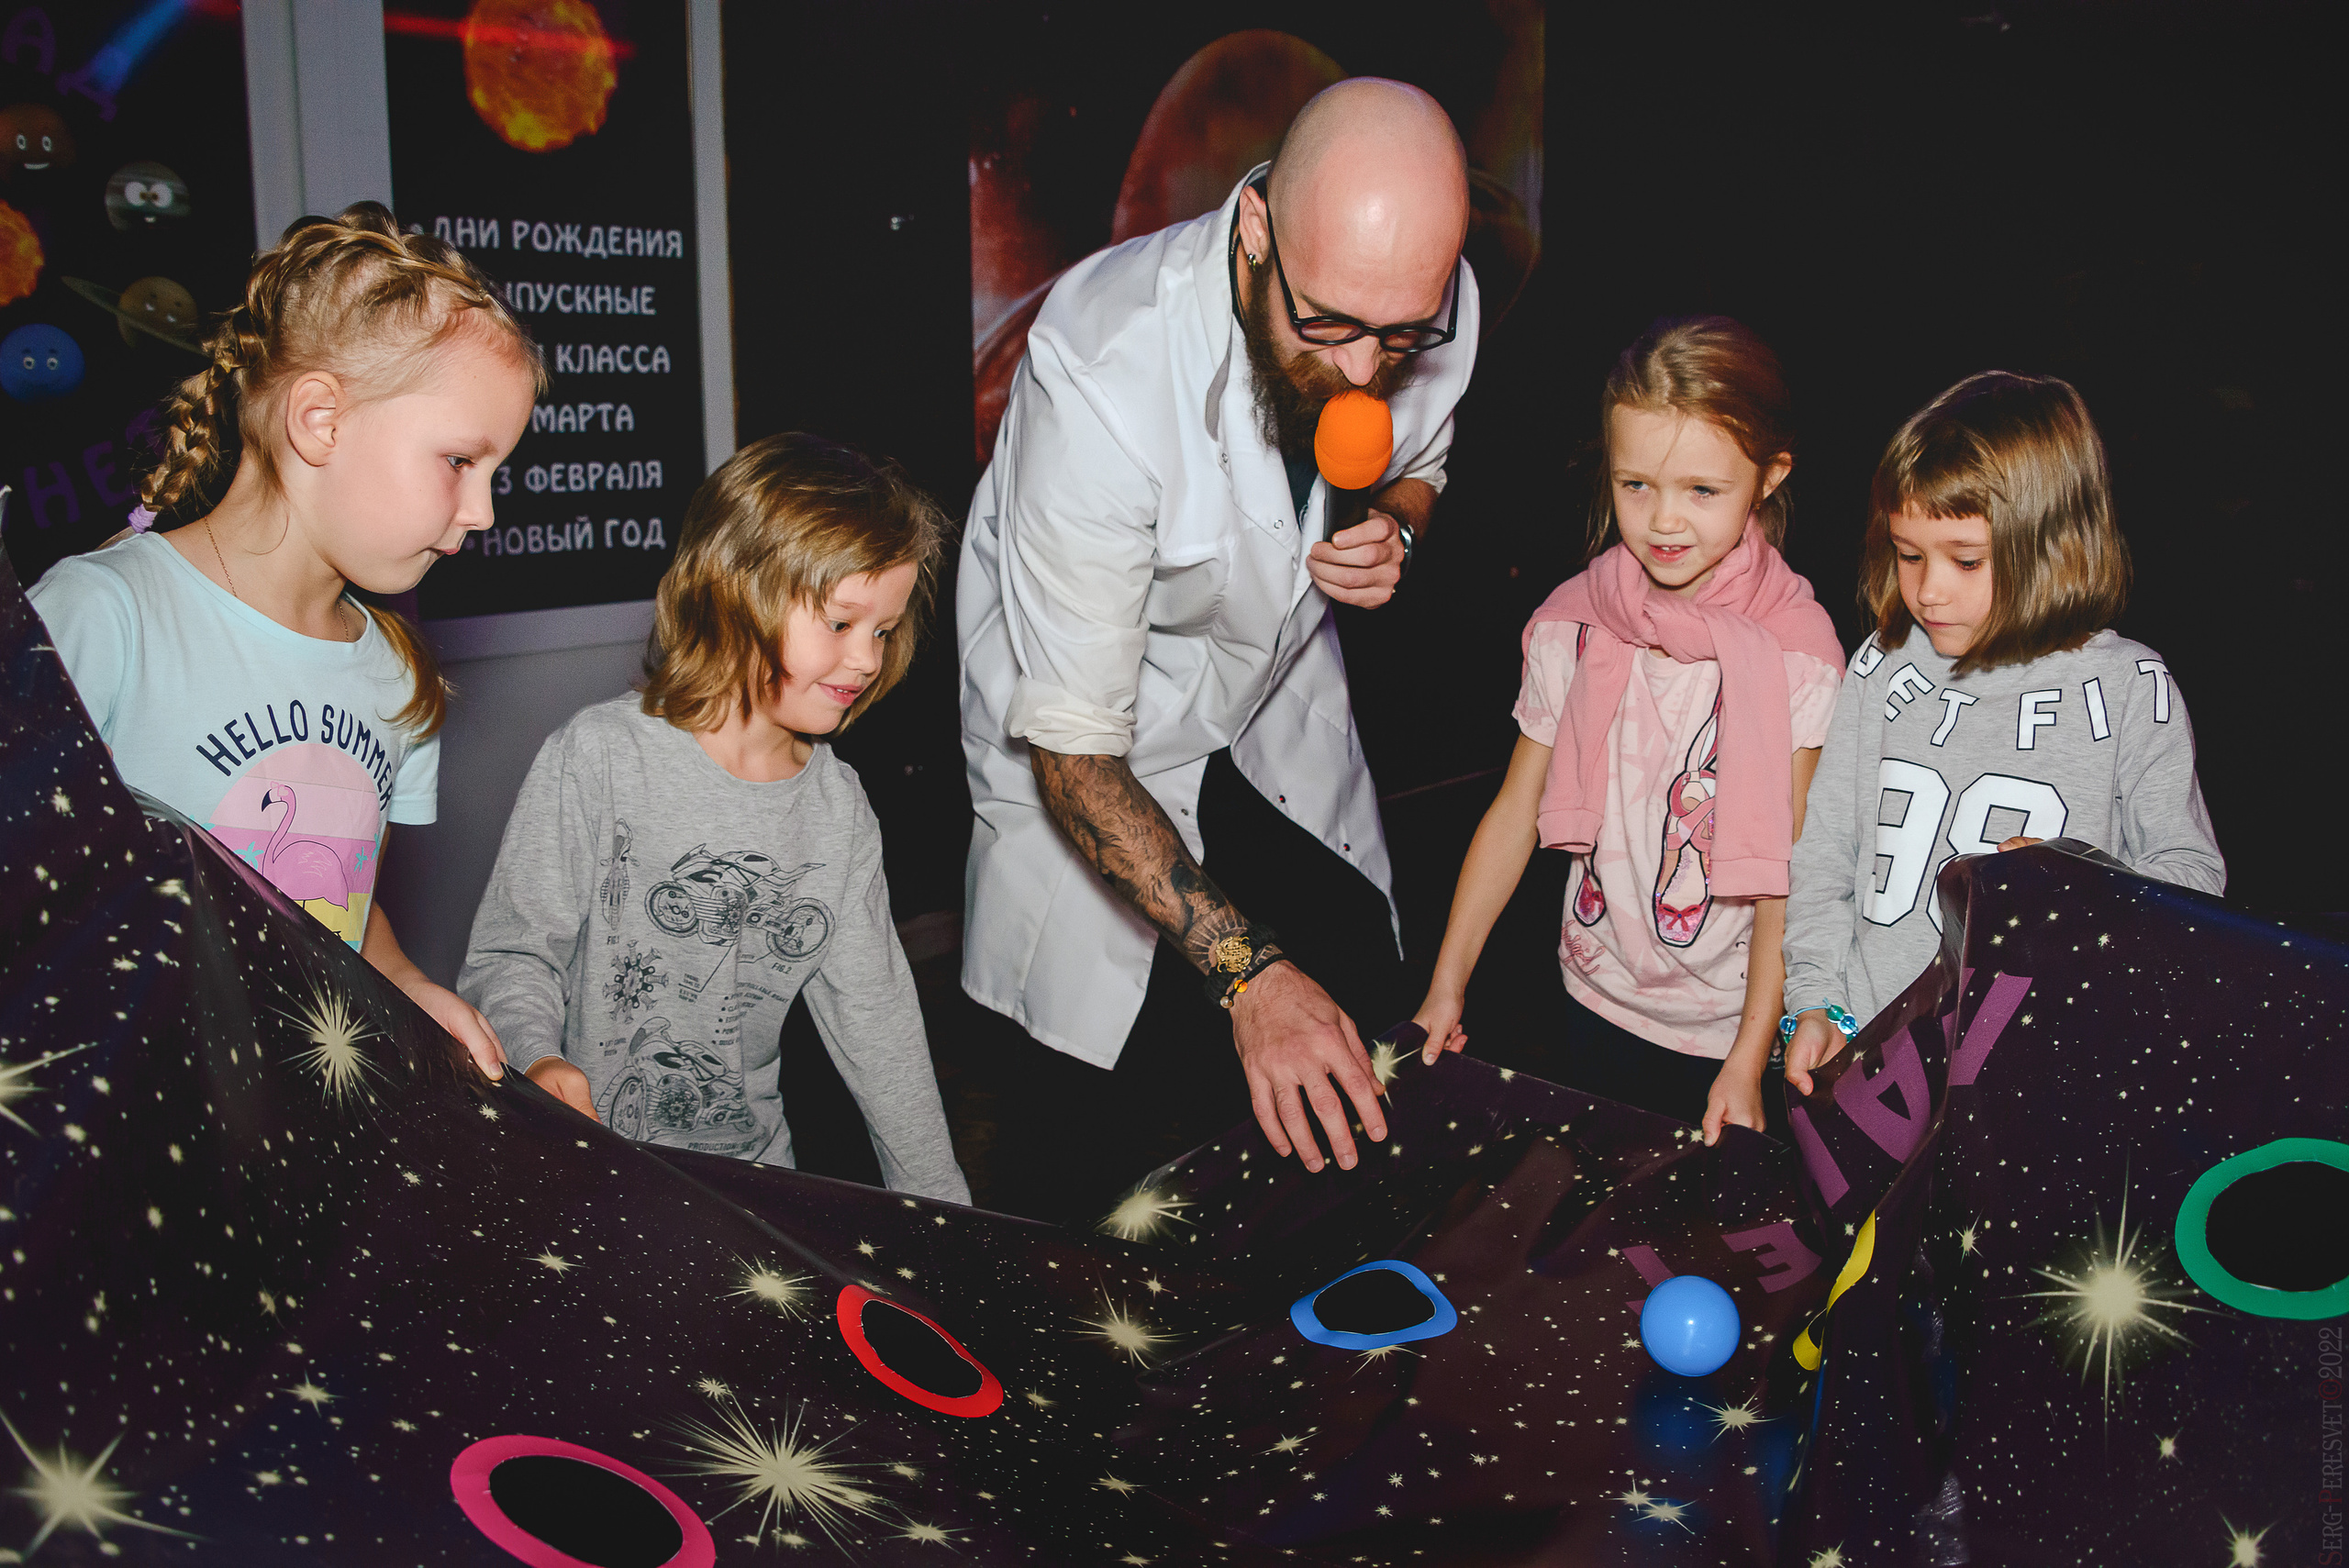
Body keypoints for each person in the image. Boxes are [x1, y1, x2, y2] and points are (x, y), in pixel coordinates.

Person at [957, 78, 1479, 1223]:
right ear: (1257, 233)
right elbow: (1077, 756)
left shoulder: (1418, 293)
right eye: (1329, 326)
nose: (1362, 368)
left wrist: (1395, 519)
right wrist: (1248, 975)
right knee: (1101, 1135)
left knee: (1359, 1031)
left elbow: (1420, 458)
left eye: (1397, 337)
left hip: (1272, 706)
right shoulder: (1101, 368)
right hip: (1099, 735)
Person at [28, 202, 530, 1079]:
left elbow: (344, 899)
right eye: (459, 462)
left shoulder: (395, 673)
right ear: (321, 420)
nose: (483, 512)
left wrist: (405, 977)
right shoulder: (104, 618)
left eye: (494, 475)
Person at [457, 435, 969, 1203]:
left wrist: (945, 1215)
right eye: (840, 623)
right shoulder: (599, 757)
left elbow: (881, 1029)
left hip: (748, 1188)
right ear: (735, 591)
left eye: (884, 630)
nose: (866, 659)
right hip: (584, 1175)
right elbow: (513, 953)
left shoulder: (840, 815)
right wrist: (536, 1058)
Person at [1410, 318, 1845, 1143]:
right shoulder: (1574, 624)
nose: (1663, 521)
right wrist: (1447, 982)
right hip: (1593, 993)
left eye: (1702, 490)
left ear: (1770, 475)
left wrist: (1749, 1056)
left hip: (1725, 1028)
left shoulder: (1799, 658)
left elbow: (1792, 877)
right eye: (1635, 484)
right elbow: (1513, 812)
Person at [1782, 372, 2225, 1093]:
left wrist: (2080, 878)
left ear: (2053, 543)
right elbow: (1828, 851)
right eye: (1908, 552)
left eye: (1966, 560)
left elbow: (2196, 881)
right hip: (1870, 1059)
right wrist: (1816, 1002)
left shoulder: (2130, 687)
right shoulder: (1881, 664)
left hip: (2038, 1077)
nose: (1928, 590)